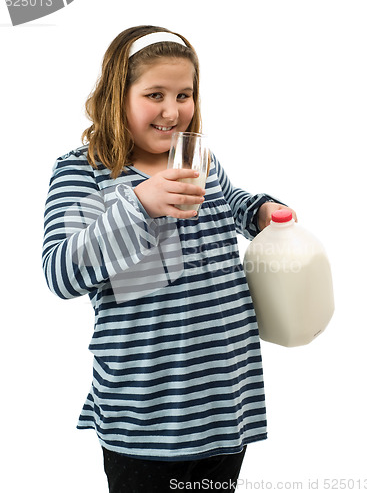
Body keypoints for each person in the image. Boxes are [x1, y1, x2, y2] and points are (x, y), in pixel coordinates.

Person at [42, 25, 297, 493]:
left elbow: (230, 201)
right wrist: (138, 204)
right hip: (144, 413)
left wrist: (258, 209)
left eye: (185, 94)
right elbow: (61, 271)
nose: (172, 110)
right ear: (117, 95)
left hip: (223, 397)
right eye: (154, 93)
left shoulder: (198, 158)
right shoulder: (87, 170)